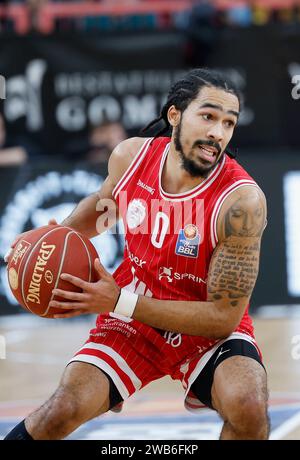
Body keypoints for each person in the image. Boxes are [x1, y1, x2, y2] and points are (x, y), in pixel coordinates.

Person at [4, 68, 269, 440]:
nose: (218, 132)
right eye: (208, 116)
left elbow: (223, 317)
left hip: (202, 327)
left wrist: (118, 300)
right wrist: (53, 236)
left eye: (229, 123)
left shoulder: (242, 201)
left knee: (250, 407)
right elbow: (101, 206)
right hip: (133, 319)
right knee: (60, 410)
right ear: (175, 115)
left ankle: (202, 381)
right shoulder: (130, 157)